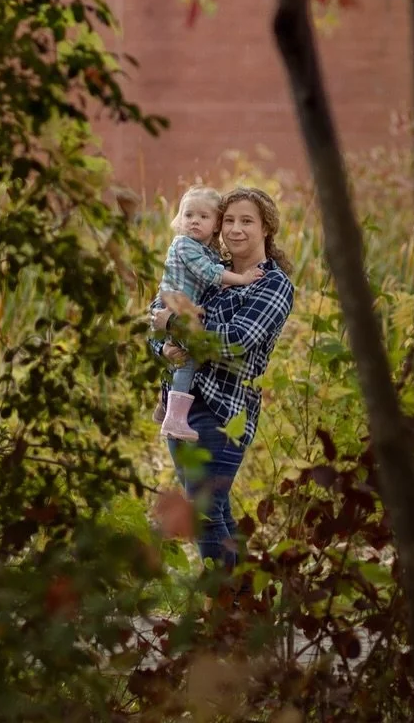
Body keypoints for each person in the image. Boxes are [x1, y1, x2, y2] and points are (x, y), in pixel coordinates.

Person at [151, 185, 295, 569]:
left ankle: (222, 598)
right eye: (228, 220)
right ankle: (243, 595)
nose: (235, 229)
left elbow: (235, 341)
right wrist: (162, 348)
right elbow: (156, 315)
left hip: (223, 413)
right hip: (180, 405)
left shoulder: (273, 284)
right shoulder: (205, 264)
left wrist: (176, 325)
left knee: (203, 510)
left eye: (247, 221)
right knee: (213, 511)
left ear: (266, 228)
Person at [154, 185, 264, 440]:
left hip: (182, 309)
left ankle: (164, 405)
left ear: (216, 225)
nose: (194, 221)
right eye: (188, 215)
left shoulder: (209, 252)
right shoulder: (184, 244)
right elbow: (208, 274)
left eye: (203, 216)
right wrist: (242, 279)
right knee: (188, 359)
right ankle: (173, 418)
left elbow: (236, 335)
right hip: (174, 305)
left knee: (182, 354)